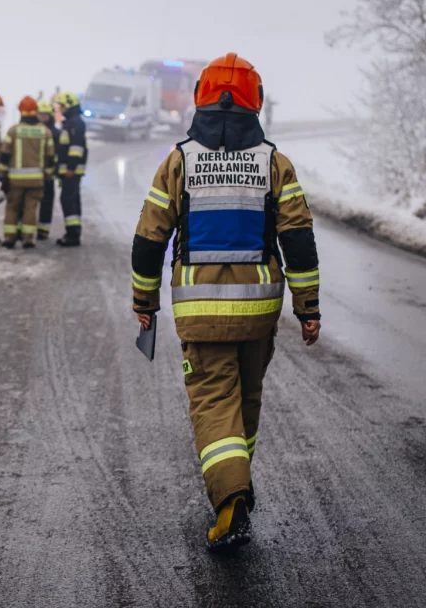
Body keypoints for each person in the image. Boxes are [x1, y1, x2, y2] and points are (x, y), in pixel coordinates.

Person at [130, 53, 322, 552]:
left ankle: (230, 498)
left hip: (200, 311)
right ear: (255, 101)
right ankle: (237, 485)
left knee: (216, 405)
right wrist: (308, 308)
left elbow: (149, 241)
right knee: (247, 401)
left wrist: (144, 300)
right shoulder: (275, 163)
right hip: (259, 310)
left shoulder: (178, 161)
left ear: (201, 98)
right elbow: (298, 242)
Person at [0, 96, 56, 248]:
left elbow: (4, 155)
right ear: (36, 112)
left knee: (12, 207)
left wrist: (2, 175)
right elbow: (50, 157)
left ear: (21, 112)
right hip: (36, 180)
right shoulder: (45, 132)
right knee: (31, 208)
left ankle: (9, 238)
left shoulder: (13, 131)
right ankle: (27, 239)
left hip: (15, 180)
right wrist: (48, 175)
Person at [53, 91, 88, 247]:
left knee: (67, 200)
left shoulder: (75, 123)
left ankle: (73, 235)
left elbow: (76, 148)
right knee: (72, 199)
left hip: (71, 171)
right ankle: (73, 233)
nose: (60, 109)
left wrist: (70, 168)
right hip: (70, 170)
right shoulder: (72, 122)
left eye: (62, 106)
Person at [36, 99, 60, 240]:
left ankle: (43, 230)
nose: (42, 117)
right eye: (40, 114)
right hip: (35, 172)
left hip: (48, 174)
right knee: (31, 202)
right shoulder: (35, 131)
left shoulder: (55, 133)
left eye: (44, 115)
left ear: (49, 115)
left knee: (47, 202)